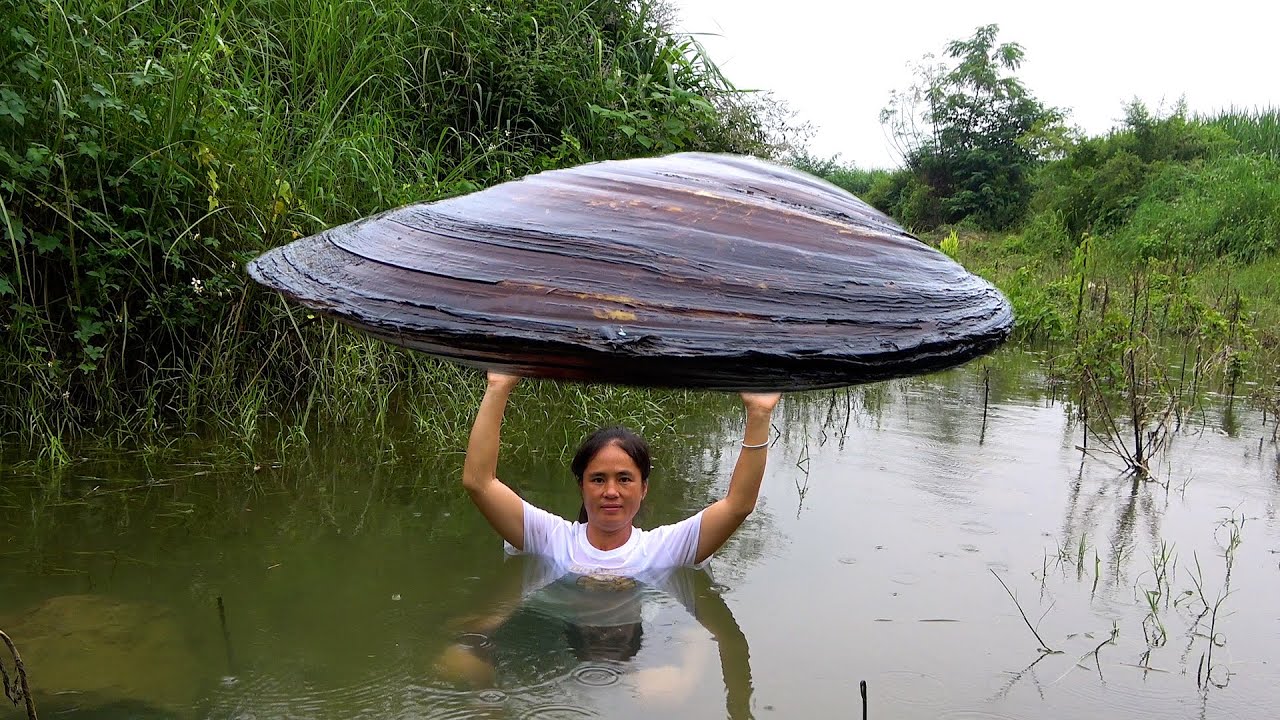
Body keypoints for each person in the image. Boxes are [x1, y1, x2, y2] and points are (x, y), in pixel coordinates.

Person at [461, 371, 782, 576]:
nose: (611, 491)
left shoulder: (663, 550)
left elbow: (738, 505)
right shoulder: (551, 540)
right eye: (598, 479)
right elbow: (479, 483)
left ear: (644, 488)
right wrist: (498, 387)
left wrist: (758, 413)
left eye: (624, 479)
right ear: (581, 486)